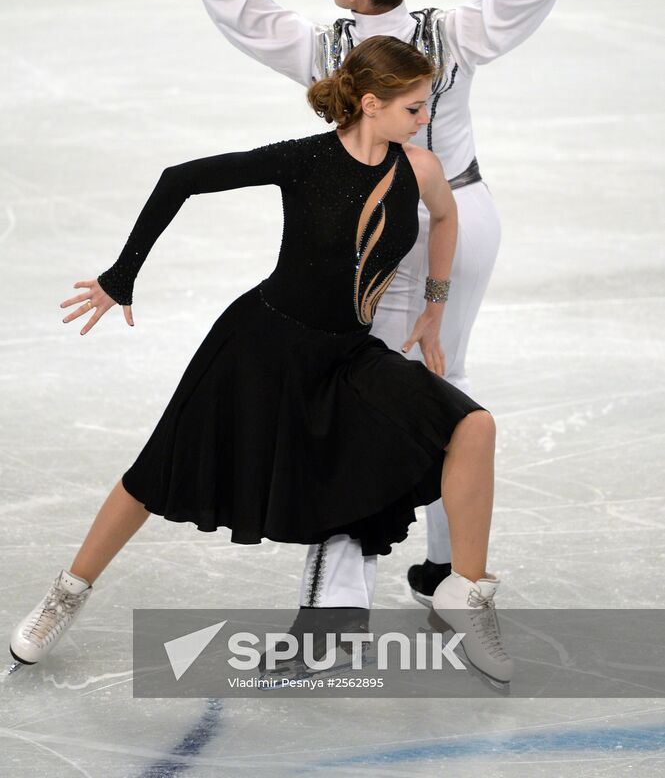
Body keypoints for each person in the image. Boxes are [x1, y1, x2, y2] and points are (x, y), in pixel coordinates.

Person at [10, 37, 511, 684]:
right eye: (414, 108)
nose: (424, 119)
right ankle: (66, 594)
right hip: (259, 347)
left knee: (473, 427)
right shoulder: (303, 161)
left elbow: (445, 221)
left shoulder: (421, 170)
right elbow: (179, 180)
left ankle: (465, 594)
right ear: (369, 104)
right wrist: (121, 275)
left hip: (348, 359)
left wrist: (435, 305)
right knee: (154, 477)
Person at [194, 0, 564, 612]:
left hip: (374, 232)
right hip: (465, 213)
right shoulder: (455, 32)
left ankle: (345, 580)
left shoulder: (323, 49)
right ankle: (442, 569)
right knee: (445, 376)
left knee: (362, 389)